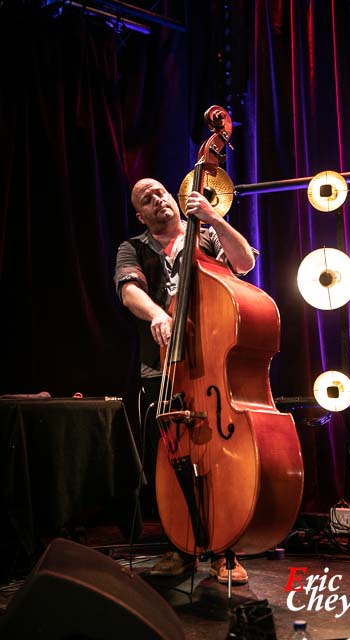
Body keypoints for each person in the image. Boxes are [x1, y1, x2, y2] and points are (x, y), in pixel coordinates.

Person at [114, 177, 257, 584]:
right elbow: (129, 292)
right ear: (140, 214)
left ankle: (224, 551)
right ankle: (180, 548)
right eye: (146, 199)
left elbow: (244, 263)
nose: (157, 199)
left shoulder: (207, 236)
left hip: (211, 367)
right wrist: (158, 314)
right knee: (172, 462)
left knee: (221, 460)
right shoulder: (133, 248)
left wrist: (213, 217)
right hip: (162, 371)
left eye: (159, 191)